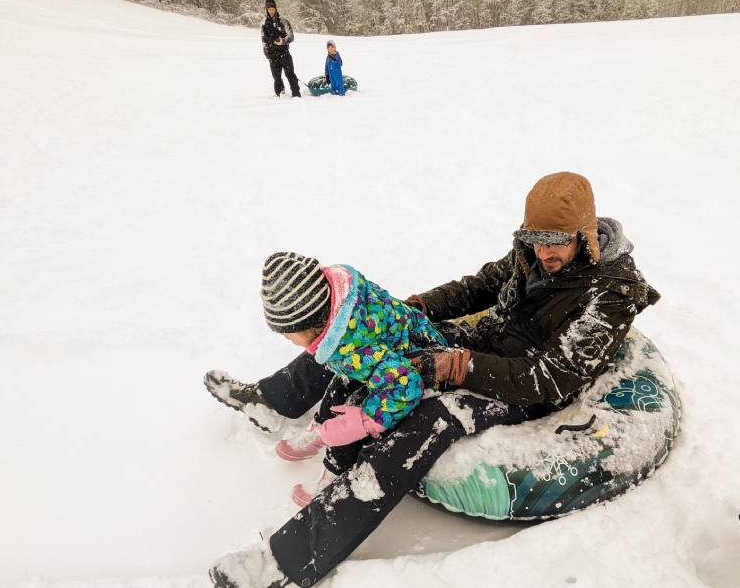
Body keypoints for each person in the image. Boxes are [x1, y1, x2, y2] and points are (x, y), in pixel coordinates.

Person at [205, 172, 661, 588]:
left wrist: (458, 367)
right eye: (535, 239)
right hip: (488, 342)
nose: (544, 252)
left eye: (556, 241)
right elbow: (479, 286)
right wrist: (414, 308)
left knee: (432, 418)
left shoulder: (612, 291)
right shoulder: (532, 252)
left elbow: (551, 377)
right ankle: (272, 399)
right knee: (367, 331)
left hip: (529, 386)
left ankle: (282, 563)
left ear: (583, 233)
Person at [206, 252, 449, 507]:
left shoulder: (354, 347)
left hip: (423, 371)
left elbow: (404, 385)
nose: (287, 340)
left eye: (289, 334)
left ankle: (334, 474)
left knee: (352, 411)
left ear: (310, 324)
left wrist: (365, 420)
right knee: (338, 388)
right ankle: (319, 431)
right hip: (391, 361)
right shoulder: (342, 308)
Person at [261, 0, 299, 98]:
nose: (271, 11)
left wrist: (283, 41)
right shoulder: (264, 23)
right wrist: (267, 54)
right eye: (269, 9)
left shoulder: (283, 21)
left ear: (276, 8)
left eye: (273, 8)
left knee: (290, 75)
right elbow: (263, 41)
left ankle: (296, 94)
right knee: (276, 77)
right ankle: (280, 95)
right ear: (267, 10)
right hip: (272, 55)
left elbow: (291, 36)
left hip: (284, 53)